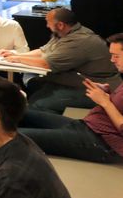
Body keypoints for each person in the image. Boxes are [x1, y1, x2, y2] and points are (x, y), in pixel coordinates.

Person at [18, 32, 123, 163]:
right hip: (87, 126)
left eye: (116, 56)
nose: (112, 60)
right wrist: (106, 93)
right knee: (20, 113)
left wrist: (105, 102)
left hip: (101, 142)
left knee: (14, 137)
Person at [0, 8, 118, 113]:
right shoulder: (64, 34)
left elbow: (46, 63)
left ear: (60, 25)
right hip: (77, 81)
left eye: (48, 23)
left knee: (39, 104)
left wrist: (17, 58)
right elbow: (44, 51)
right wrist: (17, 55)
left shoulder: (79, 41)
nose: (47, 26)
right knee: (34, 83)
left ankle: (47, 133)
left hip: (96, 87)